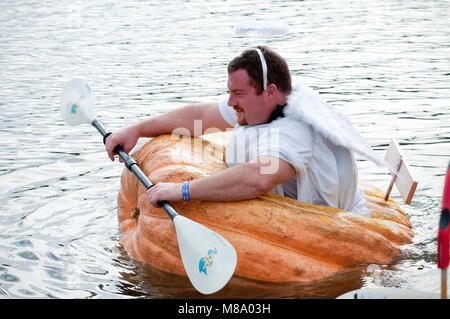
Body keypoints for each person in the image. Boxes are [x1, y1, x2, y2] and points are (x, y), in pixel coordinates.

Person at [106, 46, 382, 216]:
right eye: (229, 93)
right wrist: (137, 130)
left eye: (238, 93)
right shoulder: (260, 105)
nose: (230, 102)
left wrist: (183, 191)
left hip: (334, 225)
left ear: (270, 91)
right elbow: (200, 118)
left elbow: (257, 179)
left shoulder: (296, 131)